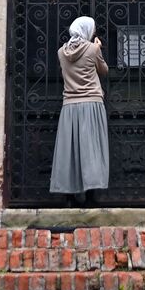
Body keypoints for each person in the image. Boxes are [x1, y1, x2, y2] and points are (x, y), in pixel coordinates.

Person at [49, 16, 110, 205]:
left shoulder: (61, 52)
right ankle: (91, 196)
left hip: (69, 105)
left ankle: (69, 196)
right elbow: (104, 70)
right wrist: (98, 49)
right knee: (92, 149)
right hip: (91, 103)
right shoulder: (93, 49)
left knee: (70, 151)